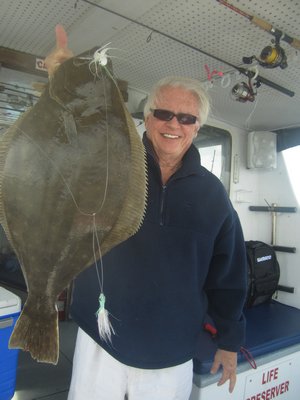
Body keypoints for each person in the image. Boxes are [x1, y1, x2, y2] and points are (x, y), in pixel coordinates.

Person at [45, 26, 247, 400]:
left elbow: (229, 274)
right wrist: (61, 86)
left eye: (186, 118)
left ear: (198, 128)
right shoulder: (108, 163)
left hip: (171, 351)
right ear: (148, 117)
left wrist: (230, 341)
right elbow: (64, 147)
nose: (174, 124)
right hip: (100, 339)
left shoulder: (213, 195)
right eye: (164, 113)